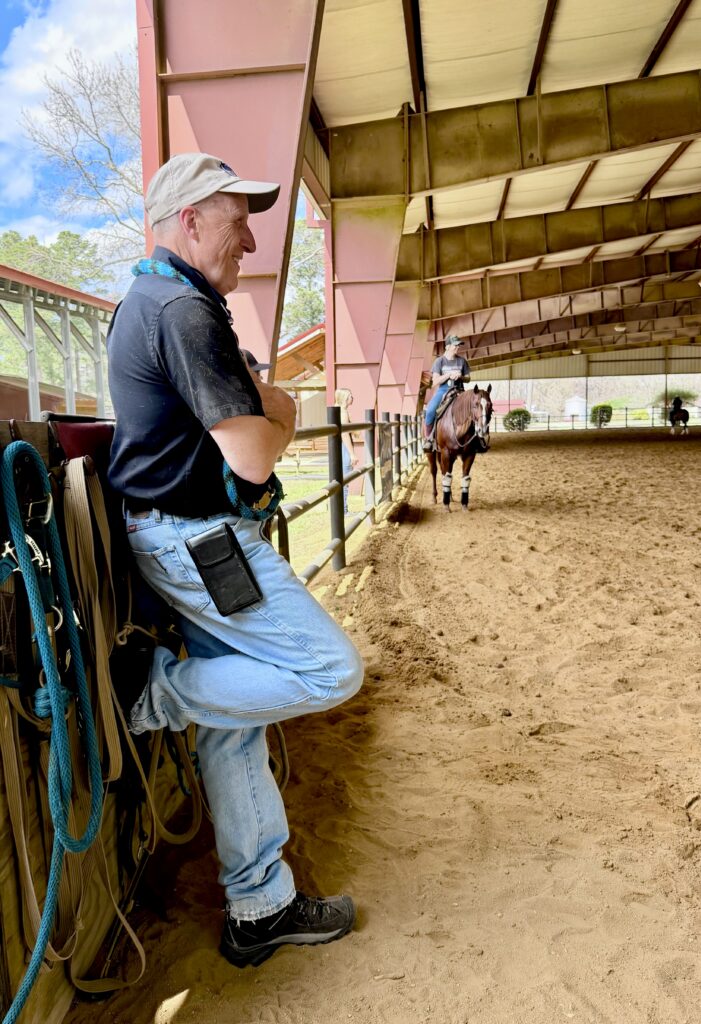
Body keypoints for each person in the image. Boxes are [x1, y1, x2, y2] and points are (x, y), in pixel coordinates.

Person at [107, 152, 363, 969]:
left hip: (179, 536)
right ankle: (155, 695)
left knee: (232, 726)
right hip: (199, 541)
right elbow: (253, 456)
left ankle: (260, 907)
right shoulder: (183, 311)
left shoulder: (153, 300)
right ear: (189, 220)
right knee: (331, 671)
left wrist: (263, 400)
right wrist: (282, 409)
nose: (249, 239)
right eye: (237, 217)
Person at [422, 335, 471, 452]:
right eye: (455, 345)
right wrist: (448, 375)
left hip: (459, 390)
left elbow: (468, 378)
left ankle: (478, 438)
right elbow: (435, 381)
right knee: (430, 411)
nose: (458, 347)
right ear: (448, 346)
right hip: (444, 390)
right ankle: (429, 439)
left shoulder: (462, 361)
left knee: (474, 408)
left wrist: (461, 376)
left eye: (458, 345)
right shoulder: (439, 361)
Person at [334, 388, 358, 514]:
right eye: (350, 396)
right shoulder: (343, 412)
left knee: (340, 479)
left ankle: (341, 509)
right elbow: (344, 434)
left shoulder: (338, 410)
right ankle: (343, 510)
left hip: (339, 447)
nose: (352, 398)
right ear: (345, 398)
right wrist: (352, 454)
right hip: (344, 448)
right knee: (345, 479)